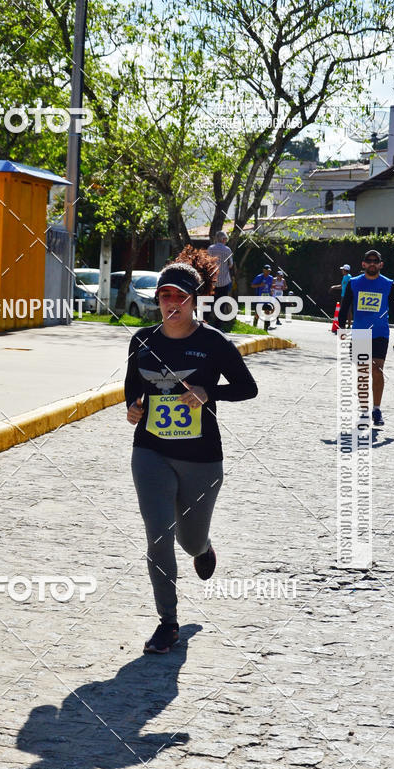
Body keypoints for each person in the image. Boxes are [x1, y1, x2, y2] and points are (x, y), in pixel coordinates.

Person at [125, 246, 258, 654]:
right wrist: (133, 407)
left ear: (196, 300)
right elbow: (134, 385)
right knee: (159, 537)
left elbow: (247, 388)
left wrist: (207, 391)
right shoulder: (142, 340)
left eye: (180, 296)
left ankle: (203, 547)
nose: (171, 303)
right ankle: (168, 622)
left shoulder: (213, 342)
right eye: (165, 295)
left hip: (202, 460)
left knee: (188, 541)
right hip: (151, 453)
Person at [338, 249, 394, 427]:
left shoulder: (389, 285)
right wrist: (341, 328)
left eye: (376, 260)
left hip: (380, 334)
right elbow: (344, 308)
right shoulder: (353, 283)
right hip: (360, 333)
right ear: (364, 264)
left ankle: (376, 409)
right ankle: (364, 411)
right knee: (362, 373)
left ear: (381, 264)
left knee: (377, 370)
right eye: (369, 260)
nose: (372, 263)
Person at [207, 231, 235, 330]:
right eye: (226, 239)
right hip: (224, 281)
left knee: (209, 303)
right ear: (223, 239)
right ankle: (218, 327)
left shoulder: (210, 249)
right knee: (221, 304)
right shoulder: (227, 250)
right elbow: (231, 265)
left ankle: (205, 325)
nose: (226, 241)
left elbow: (207, 263)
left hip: (212, 281)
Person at [251, 264, 273, 331]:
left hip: (267, 298)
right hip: (259, 298)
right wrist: (260, 285)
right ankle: (254, 327)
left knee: (267, 312)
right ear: (263, 270)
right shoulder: (259, 277)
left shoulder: (271, 277)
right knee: (258, 313)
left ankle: (265, 330)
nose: (268, 272)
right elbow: (252, 285)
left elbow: (270, 286)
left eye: (269, 271)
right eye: (267, 271)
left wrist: (271, 290)